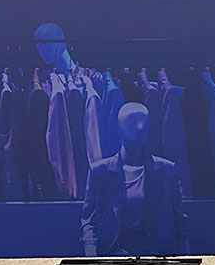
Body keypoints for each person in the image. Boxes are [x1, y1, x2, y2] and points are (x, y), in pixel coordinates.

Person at [79, 102, 191, 256]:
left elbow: (178, 221)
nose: (139, 127)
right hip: (114, 255)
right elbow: (89, 222)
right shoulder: (100, 171)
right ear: (119, 127)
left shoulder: (166, 170)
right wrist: (91, 256)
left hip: (155, 255)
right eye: (132, 122)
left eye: (144, 122)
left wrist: (187, 258)